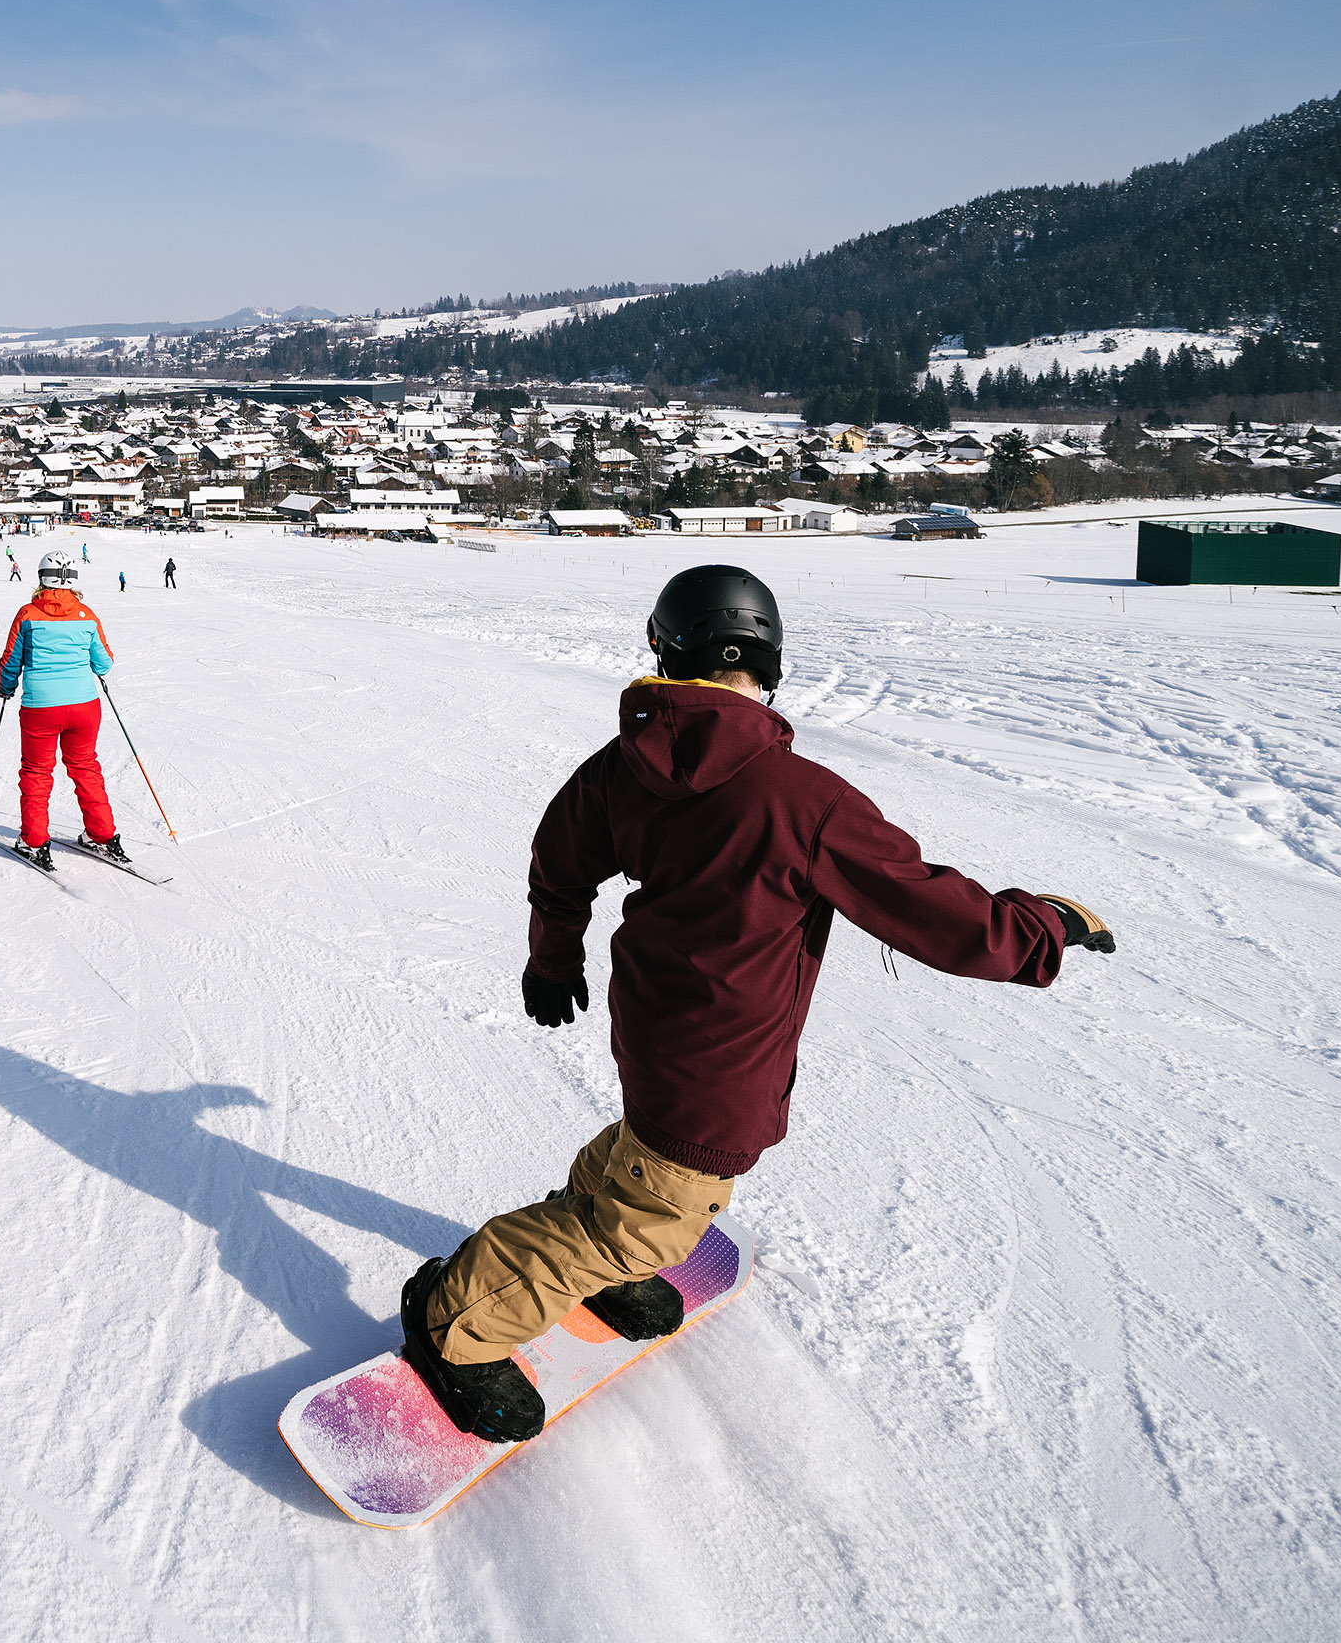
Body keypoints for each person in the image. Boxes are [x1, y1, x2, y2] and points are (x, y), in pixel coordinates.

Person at [395, 566, 1117, 1442]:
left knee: (651, 1148)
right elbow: (944, 916)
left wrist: (553, 957)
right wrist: (1044, 926)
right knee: (656, 1218)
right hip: (724, 1056)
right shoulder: (804, 800)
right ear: (768, 663)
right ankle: (457, 1319)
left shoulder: (627, 762)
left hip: (653, 1022)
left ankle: (604, 1243)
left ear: (667, 649)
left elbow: (561, 854)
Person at [0, 553, 126, 872]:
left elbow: (12, 660)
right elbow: (104, 663)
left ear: (42, 578)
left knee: (37, 772)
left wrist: (6, 687)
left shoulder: (27, 614)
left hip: (41, 706)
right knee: (84, 767)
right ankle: (102, 834)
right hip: (83, 706)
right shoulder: (87, 615)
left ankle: (35, 841)